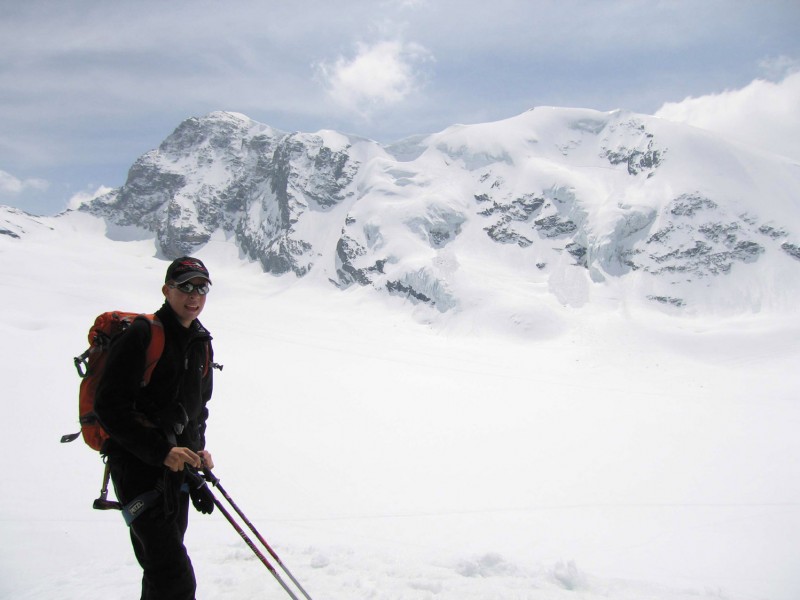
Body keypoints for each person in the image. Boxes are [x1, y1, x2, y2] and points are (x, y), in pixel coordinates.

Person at [95, 256, 217, 600]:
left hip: (175, 475)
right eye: (185, 287)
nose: (194, 295)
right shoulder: (143, 334)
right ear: (167, 290)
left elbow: (196, 412)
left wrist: (196, 461)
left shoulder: (200, 343)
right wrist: (161, 451)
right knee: (174, 577)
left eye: (201, 288)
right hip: (136, 470)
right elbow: (109, 406)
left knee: (160, 572)